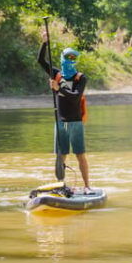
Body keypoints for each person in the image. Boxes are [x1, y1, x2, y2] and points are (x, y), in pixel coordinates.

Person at [38, 29, 91, 193]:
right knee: (61, 155)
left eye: (73, 58)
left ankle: (87, 186)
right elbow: (40, 61)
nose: (70, 61)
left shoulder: (80, 78)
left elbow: (75, 97)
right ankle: (61, 185)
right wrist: (45, 42)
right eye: (68, 58)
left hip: (75, 121)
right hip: (60, 121)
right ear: (62, 59)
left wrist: (58, 87)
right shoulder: (56, 74)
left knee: (80, 154)